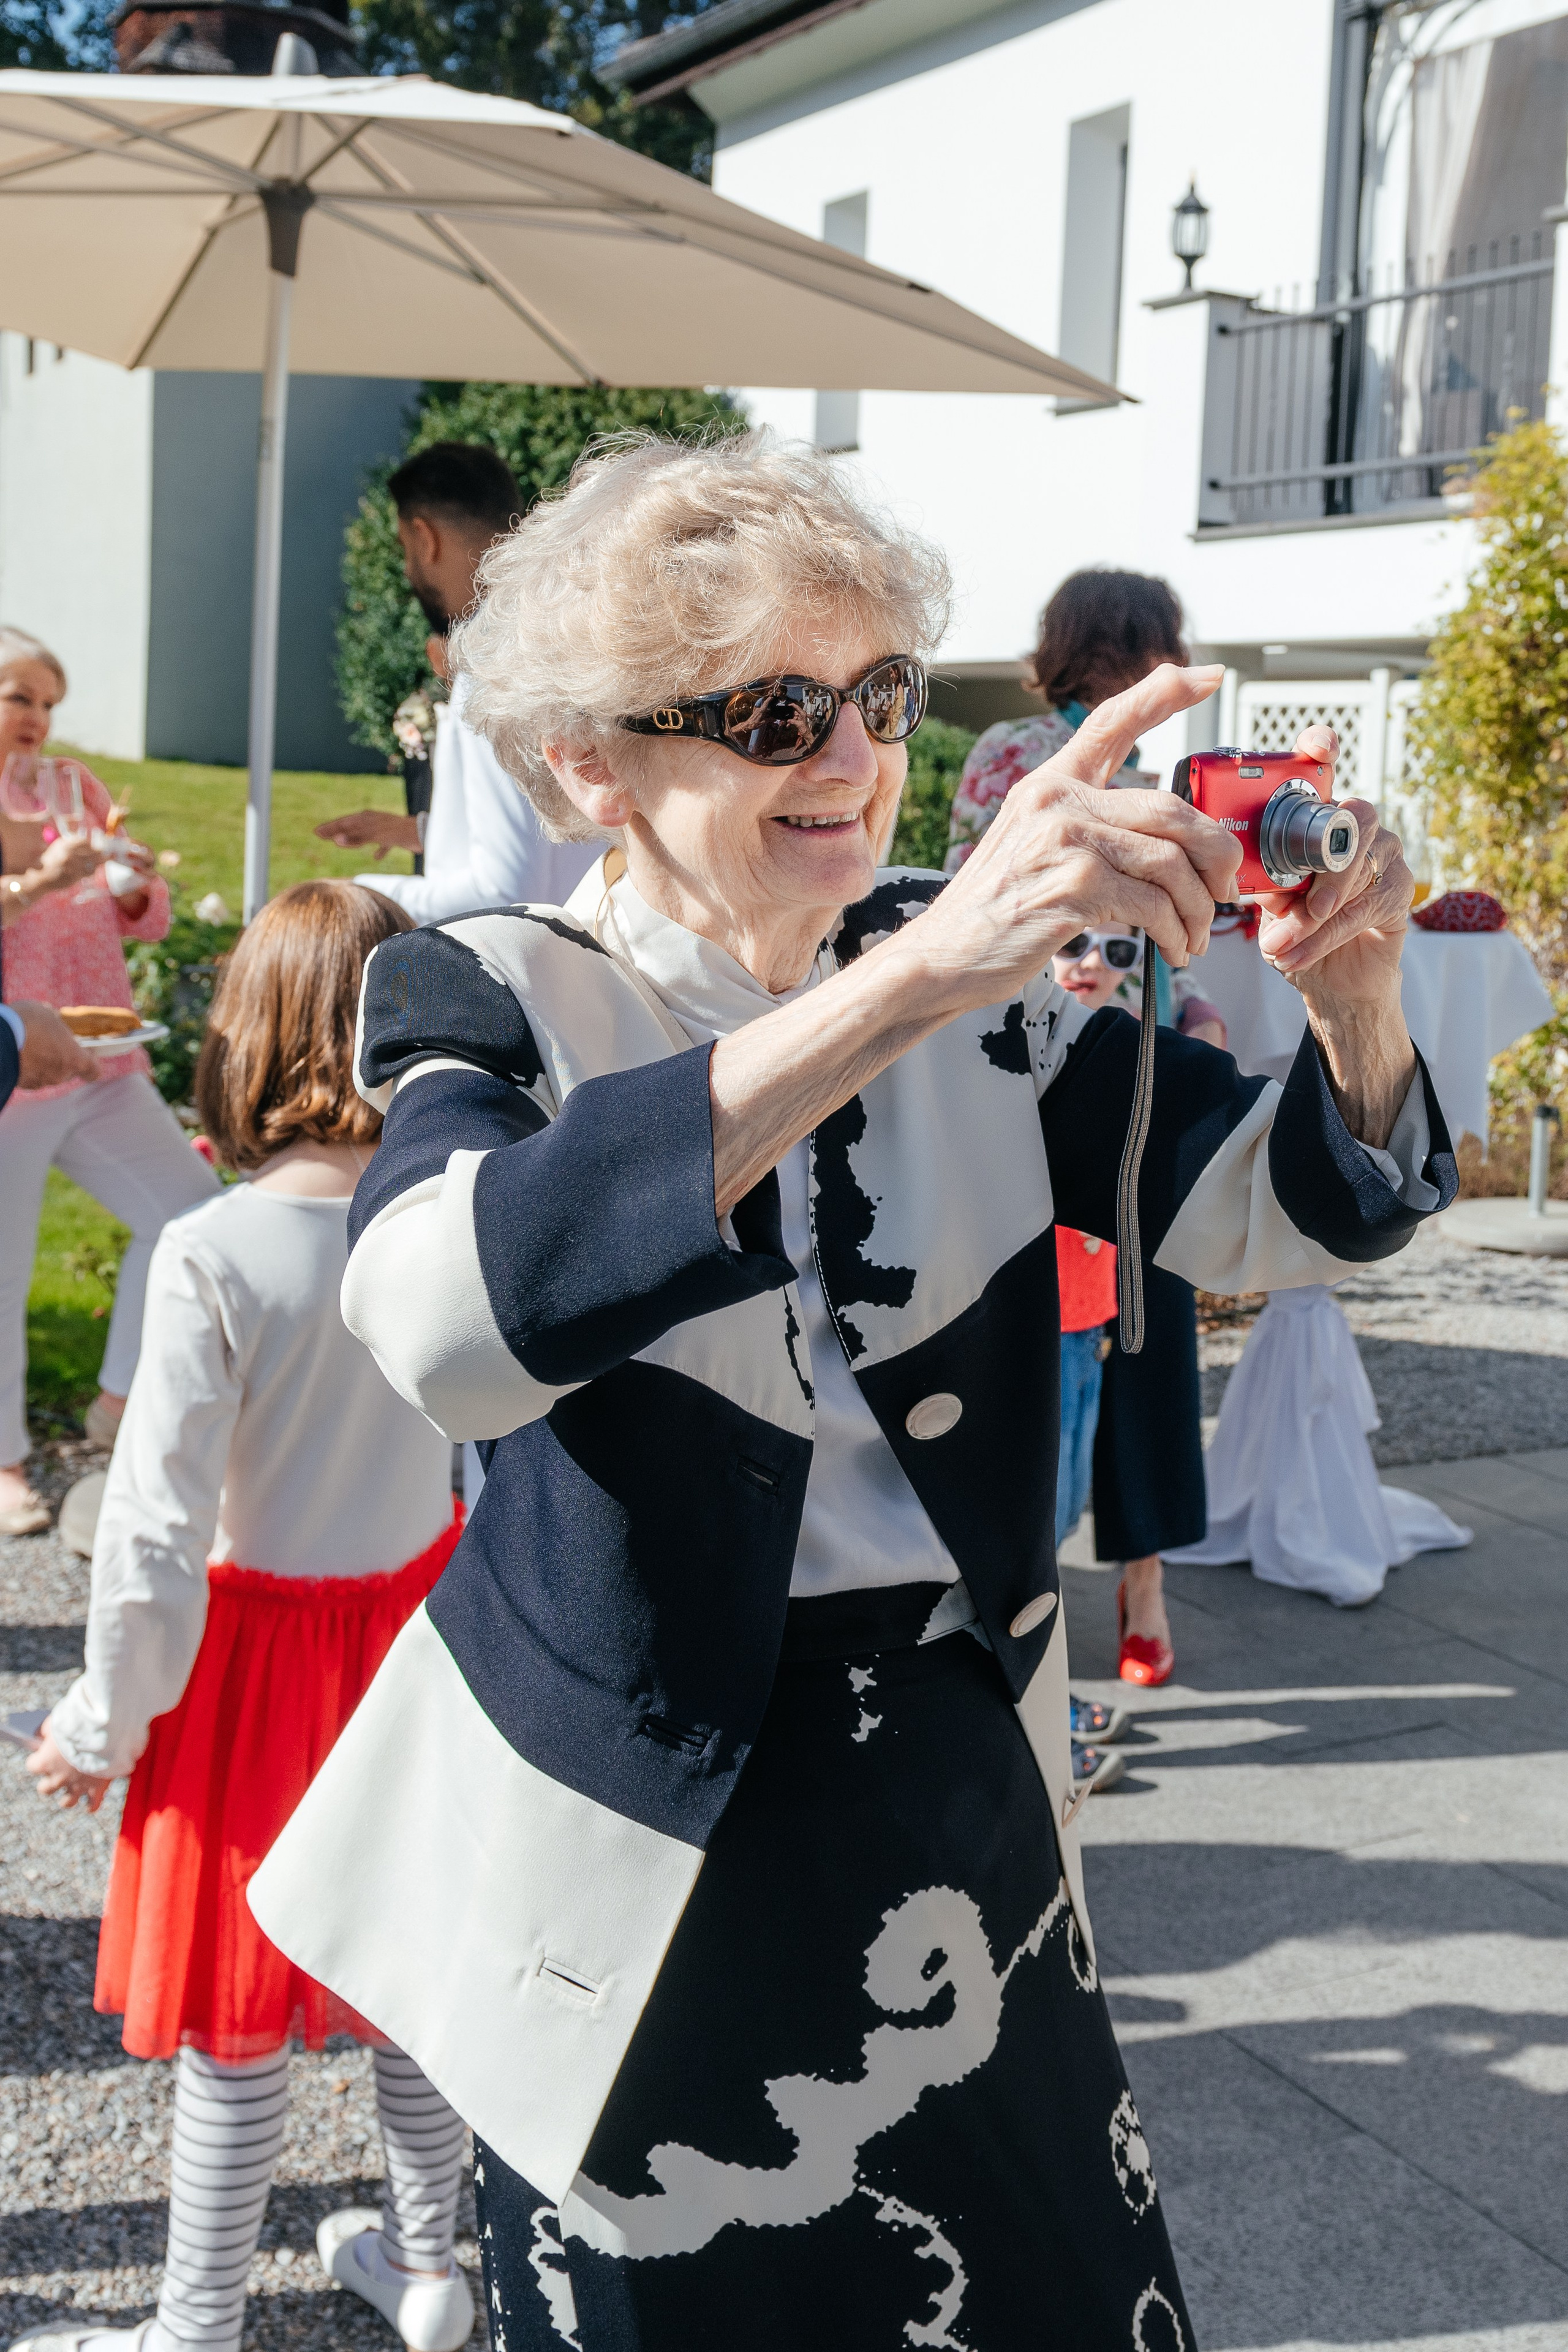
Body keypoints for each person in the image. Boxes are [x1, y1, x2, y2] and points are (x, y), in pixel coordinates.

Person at [249, 433, 1450, 2351]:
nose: (851, 755)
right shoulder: (489, 984)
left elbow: (1273, 1210)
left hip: (955, 1790)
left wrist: (1356, 998)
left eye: (879, 695)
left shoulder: (973, 978)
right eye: (772, 712)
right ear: (592, 762)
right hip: (640, 1838)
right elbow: (441, 1325)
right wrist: (912, 981)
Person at [11, 883, 475, 2352]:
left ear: (246, 1037)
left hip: (251, 1667)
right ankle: (432, 2268)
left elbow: (152, 1533)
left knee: (234, 2008)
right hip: (415, 1643)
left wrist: (98, 1723)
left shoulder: (212, 1250)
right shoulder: (445, 1225)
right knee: (411, 1973)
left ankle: (196, 2323)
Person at [946, 570, 1216, 1686]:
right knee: (1123, 1328)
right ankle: (1123, 1592)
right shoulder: (1063, 762)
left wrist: (1190, 1002)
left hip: (1073, 1060)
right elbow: (971, 913)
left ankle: (1082, 1592)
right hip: (1085, 1067)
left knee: (1089, 1326)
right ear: (1149, 648)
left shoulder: (1036, 759)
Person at [0, 628, 217, 1534]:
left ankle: (120, 1398)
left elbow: (148, 921)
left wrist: (132, 888)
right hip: (12, 1068)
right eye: (19, 696)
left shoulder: (76, 785)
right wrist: (40, 882)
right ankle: (5, 1464)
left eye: (49, 702)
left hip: (102, 1054)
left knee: (193, 1216)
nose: (38, 718)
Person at [316, 442, 599, 918]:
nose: (408, 570)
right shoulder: (563, 634)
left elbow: (503, 895)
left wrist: (351, 896)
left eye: (405, 551)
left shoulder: (493, 666)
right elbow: (552, 835)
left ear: (425, 538)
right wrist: (417, 832)